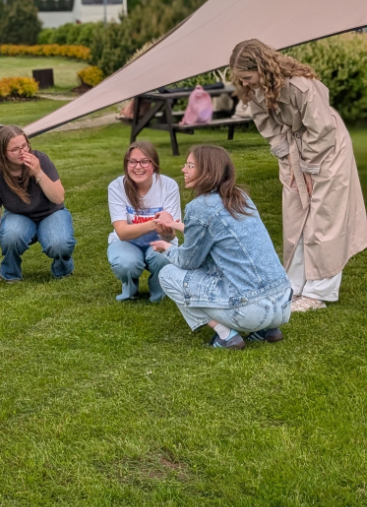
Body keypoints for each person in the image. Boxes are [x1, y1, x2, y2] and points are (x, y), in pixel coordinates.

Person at [229, 39, 367, 312]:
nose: (244, 84)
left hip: (327, 150)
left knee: (323, 219)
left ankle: (317, 293)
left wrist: (309, 168)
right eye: (240, 79)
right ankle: (293, 286)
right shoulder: (253, 90)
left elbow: (322, 129)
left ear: (262, 68)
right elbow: (269, 126)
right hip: (294, 150)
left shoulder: (300, 86)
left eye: (247, 77)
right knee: (295, 217)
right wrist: (290, 162)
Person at [151, 145, 292, 350]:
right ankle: (267, 330)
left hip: (252, 310)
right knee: (223, 264)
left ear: (208, 172)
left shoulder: (200, 207)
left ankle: (226, 336)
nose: (184, 170)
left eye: (190, 165)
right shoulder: (240, 198)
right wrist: (175, 225)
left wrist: (166, 247)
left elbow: (188, 262)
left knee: (167, 273)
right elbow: (215, 233)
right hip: (282, 303)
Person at [0, 125, 75, 284]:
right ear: (3, 153)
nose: (22, 152)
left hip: (51, 213)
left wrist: (38, 173)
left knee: (59, 243)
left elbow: (58, 198)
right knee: (11, 235)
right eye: (15, 149)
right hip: (19, 216)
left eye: (24, 146)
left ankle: (62, 269)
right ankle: (10, 272)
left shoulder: (41, 160)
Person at [107, 141, 181, 303]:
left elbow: (171, 234)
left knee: (164, 257)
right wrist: (155, 224)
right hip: (127, 242)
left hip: (158, 239)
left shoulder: (169, 186)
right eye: (132, 161)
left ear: (154, 165)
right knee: (126, 263)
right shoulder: (117, 187)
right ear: (126, 164)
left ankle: (159, 289)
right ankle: (129, 288)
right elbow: (122, 232)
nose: (137, 166)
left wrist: (167, 233)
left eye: (144, 161)